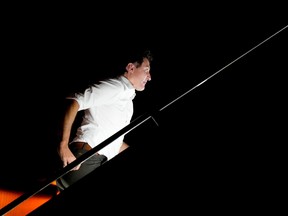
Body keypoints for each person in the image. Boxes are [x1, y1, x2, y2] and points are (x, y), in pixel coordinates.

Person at [55, 48, 153, 191]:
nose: (149, 77)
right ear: (131, 67)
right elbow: (74, 101)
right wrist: (63, 146)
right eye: (146, 70)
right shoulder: (116, 86)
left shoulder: (127, 101)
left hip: (97, 159)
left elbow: (115, 142)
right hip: (85, 159)